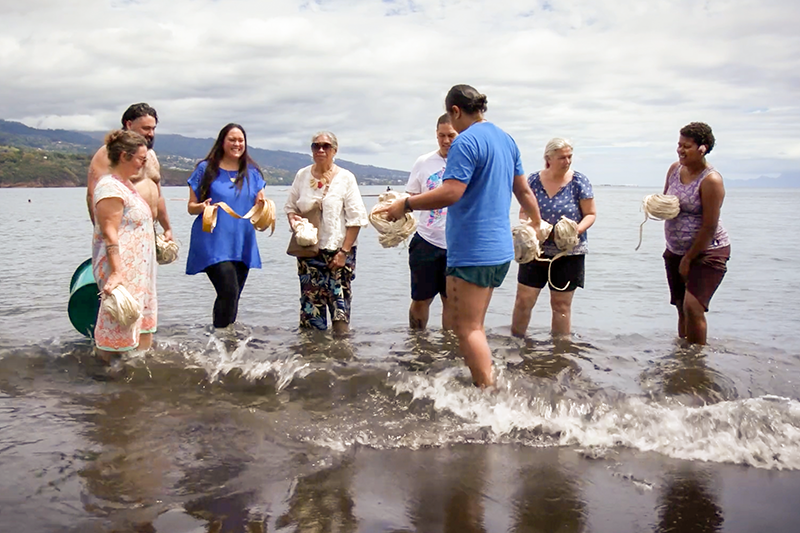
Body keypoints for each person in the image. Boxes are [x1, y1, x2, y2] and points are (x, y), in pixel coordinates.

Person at [379, 84, 545, 388]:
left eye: (451, 120)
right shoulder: (506, 139)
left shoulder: (465, 142)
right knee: (475, 326)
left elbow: (452, 192)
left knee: (467, 329)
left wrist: (405, 204)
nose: (450, 128)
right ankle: (481, 384)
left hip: (472, 250)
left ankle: (489, 396)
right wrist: (536, 223)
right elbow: (523, 190)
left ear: (455, 111)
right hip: (500, 252)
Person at [511, 138, 596, 339]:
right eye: (562, 158)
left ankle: (560, 351)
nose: (567, 161)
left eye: (569, 157)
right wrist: (533, 226)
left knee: (561, 305)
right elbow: (523, 212)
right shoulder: (532, 180)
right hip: (535, 251)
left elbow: (590, 214)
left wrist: (573, 230)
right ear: (548, 159)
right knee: (524, 300)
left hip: (568, 253)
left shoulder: (579, 182)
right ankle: (515, 343)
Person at [284, 131, 369, 335]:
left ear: (334, 151)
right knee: (311, 314)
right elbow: (290, 207)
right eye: (316, 146)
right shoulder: (302, 175)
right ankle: (313, 361)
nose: (320, 150)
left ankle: (341, 362)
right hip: (308, 253)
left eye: (325, 146)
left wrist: (344, 252)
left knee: (340, 314)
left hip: (338, 254)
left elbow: (356, 219)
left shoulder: (346, 178)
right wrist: (294, 220)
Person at [186, 123, 267, 328]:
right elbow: (191, 207)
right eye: (232, 139)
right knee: (228, 290)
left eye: (240, 140)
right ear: (222, 141)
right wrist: (202, 206)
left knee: (233, 296)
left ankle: (224, 345)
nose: (237, 144)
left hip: (242, 241)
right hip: (213, 240)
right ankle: (221, 341)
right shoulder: (206, 169)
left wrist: (264, 208)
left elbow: (260, 206)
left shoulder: (253, 172)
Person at [662, 122, 730, 345]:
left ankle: (698, 361)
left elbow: (709, 226)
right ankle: (684, 358)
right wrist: (656, 205)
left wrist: (689, 259)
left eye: (687, 146)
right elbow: (667, 199)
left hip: (708, 250)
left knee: (693, 306)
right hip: (675, 249)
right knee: (682, 307)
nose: (680, 150)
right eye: (679, 145)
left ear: (703, 148)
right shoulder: (674, 170)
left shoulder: (711, 180)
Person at [92, 130, 156, 359]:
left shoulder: (126, 185)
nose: (143, 164)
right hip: (121, 270)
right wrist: (117, 272)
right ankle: (104, 381)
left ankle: (134, 380)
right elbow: (110, 232)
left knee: (138, 328)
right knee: (117, 326)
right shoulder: (110, 187)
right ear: (123, 156)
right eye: (140, 159)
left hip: (138, 272)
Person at [87, 103, 173, 242]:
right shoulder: (108, 153)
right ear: (129, 124)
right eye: (145, 128)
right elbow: (93, 195)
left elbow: (158, 196)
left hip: (148, 231)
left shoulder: (151, 156)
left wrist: (167, 228)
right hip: (122, 232)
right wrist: (107, 237)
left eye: (153, 129)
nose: (150, 134)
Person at [405, 113, 458, 330]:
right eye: (441, 136)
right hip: (427, 241)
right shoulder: (424, 162)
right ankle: (417, 344)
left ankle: (449, 351)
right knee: (421, 299)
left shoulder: (469, 162)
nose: (446, 141)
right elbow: (410, 198)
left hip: (457, 245)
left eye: (451, 136)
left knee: (452, 303)